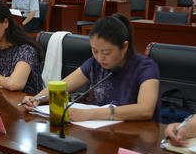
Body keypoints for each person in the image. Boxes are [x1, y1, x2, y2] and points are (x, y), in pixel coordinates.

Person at [22, 14, 161, 122]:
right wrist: (36, 99)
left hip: (139, 137)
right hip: (106, 131)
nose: (100, 58)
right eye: (94, 51)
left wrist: (90, 113)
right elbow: (62, 86)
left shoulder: (146, 67)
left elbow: (145, 110)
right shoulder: (95, 63)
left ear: (124, 47)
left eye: (106, 53)